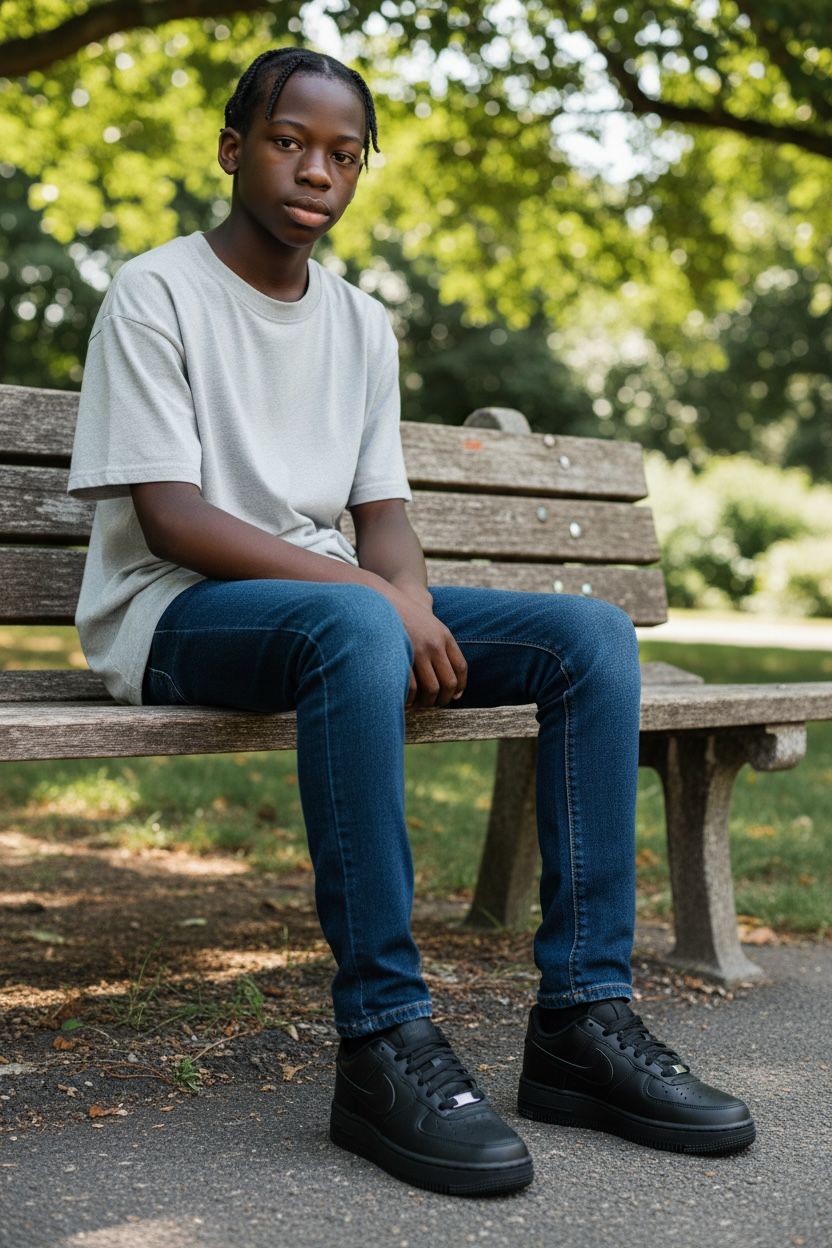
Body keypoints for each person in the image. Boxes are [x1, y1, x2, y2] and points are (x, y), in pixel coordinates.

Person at [67, 46, 755, 1196]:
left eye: (343, 155)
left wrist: (408, 596)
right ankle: (383, 1038)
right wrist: (375, 602)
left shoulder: (359, 325)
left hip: (340, 608)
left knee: (585, 640)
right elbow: (173, 519)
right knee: (359, 632)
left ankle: (583, 1021)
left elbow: (382, 519)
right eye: (289, 143)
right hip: (179, 616)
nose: (315, 172)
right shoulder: (157, 291)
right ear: (234, 148)